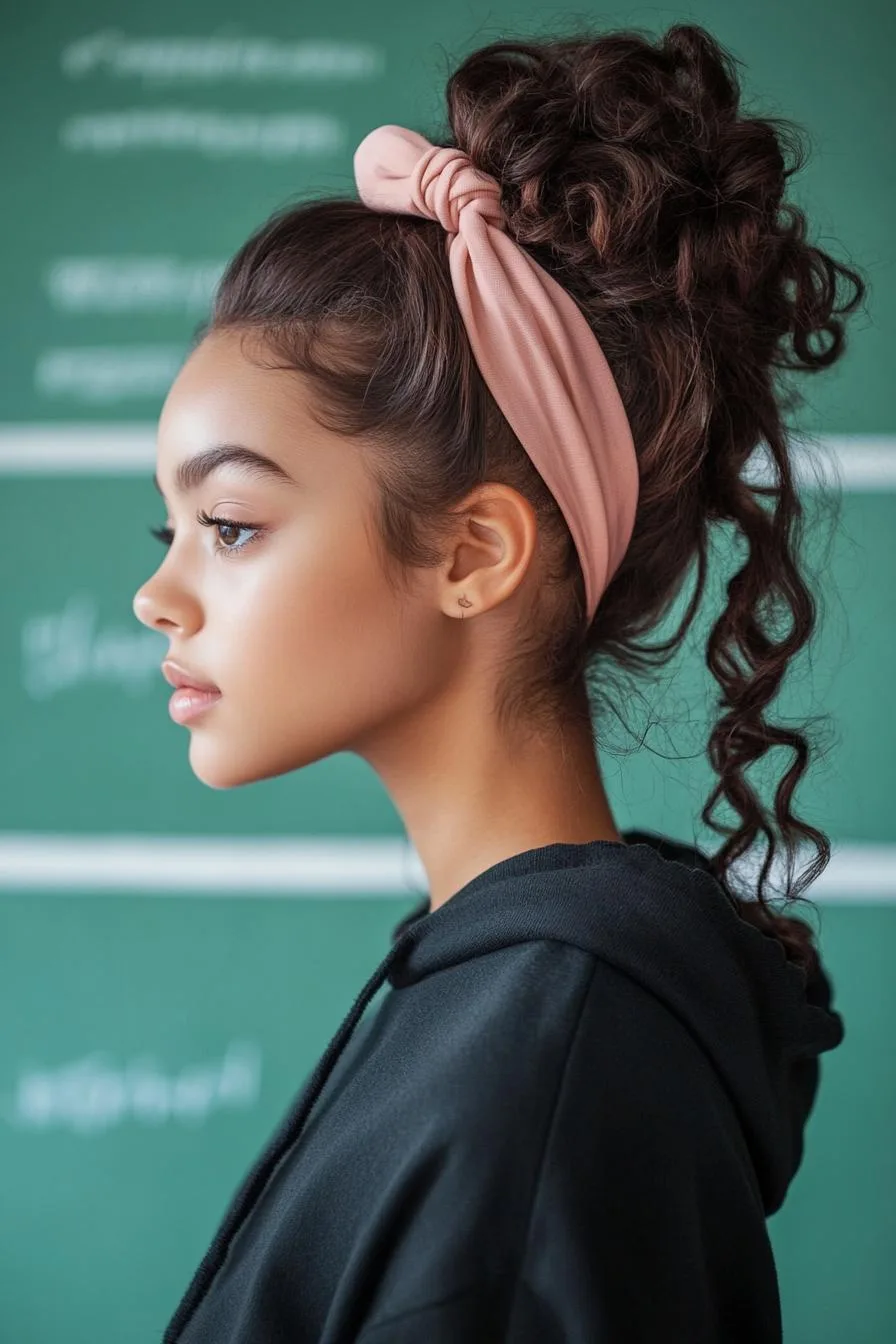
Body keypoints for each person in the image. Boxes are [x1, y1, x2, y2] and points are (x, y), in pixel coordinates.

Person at [132, 21, 863, 1344]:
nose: (157, 594)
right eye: (164, 533)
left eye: (229, 525)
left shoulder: (546, 1075)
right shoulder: (498, 1002)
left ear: (473, 555)